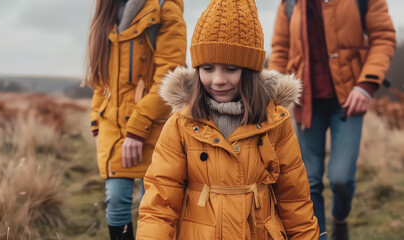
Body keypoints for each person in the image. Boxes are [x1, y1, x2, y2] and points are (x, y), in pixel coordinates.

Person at [136, 0, 319, 239]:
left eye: (231, 68)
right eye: (208, 68)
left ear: (251, 70)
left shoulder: (275, 122)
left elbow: (294, 199)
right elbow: (160, 202)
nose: (218, 79)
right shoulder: (181, 123)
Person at [268, 0, 396, 239]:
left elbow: (383, 37)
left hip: (349, 99)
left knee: (341, 179)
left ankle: (340, 218)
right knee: (309, 181)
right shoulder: (289, 3)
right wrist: (274, 97)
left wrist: (366, 85)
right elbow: (280, 51)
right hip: (306, 104)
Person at [83, 0, 186, 239]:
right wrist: (96, 124)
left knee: (156, 206)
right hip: (112, 123)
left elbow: (170, 76)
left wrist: (137, 129)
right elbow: (102, 81)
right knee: (116, 200)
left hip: (154, 122)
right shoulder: (107, 13)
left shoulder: (164, 7)